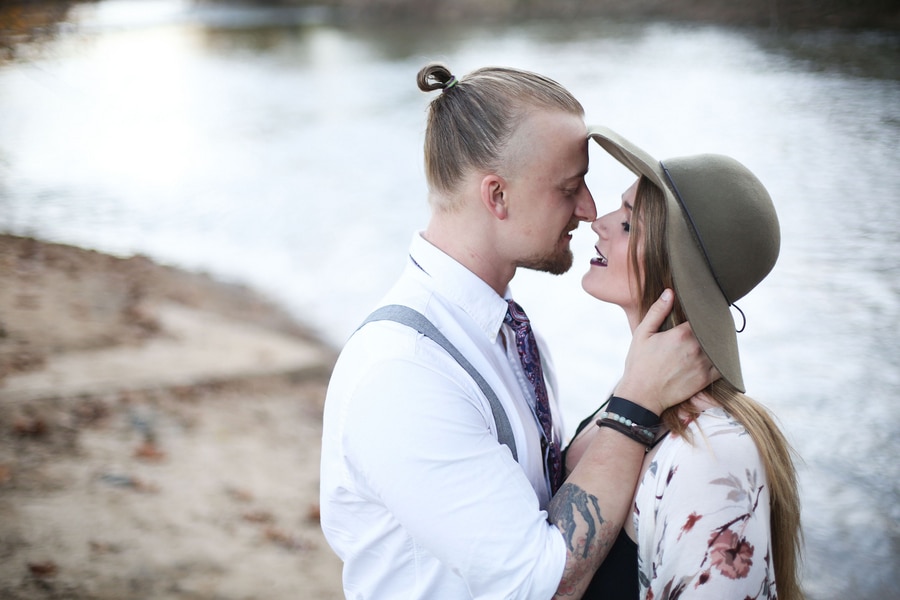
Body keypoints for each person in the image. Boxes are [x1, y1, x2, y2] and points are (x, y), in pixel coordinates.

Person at [319, 63, 717, 599]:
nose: (589, 209)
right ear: (497, 196)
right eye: (569, 187)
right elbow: (537, 584)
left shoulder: (508, 332)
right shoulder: (404, 371)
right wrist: (636, 403)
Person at [565, 125, 803, 599]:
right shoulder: (640, 387)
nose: (599, 223)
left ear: (674, 266)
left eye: (628, 224)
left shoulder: (711, 455)